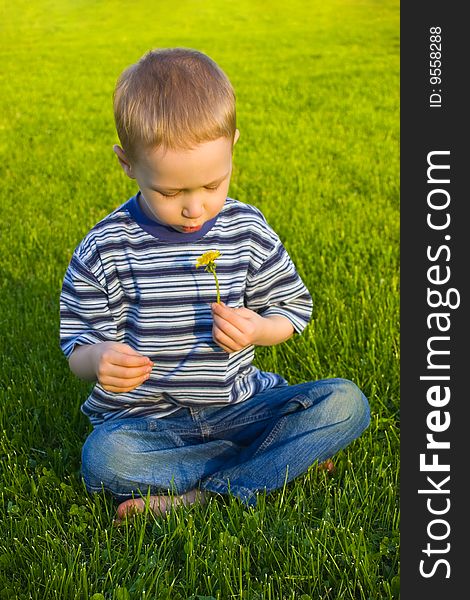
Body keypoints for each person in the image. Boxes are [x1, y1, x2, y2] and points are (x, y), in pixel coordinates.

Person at [60, 47, 370, 523]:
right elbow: (77, 344)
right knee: (104, 462)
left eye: (213, 184)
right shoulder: (105, 249)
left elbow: (292, 310)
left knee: (347, 404)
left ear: (233, 146)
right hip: (151, 424)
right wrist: (99, 360)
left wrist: (257, 329)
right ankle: (277, 464)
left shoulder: (246, 231)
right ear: (126, 163)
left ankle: (207, 493)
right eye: (170, 192)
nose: (194, 208)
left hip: (242, 407)